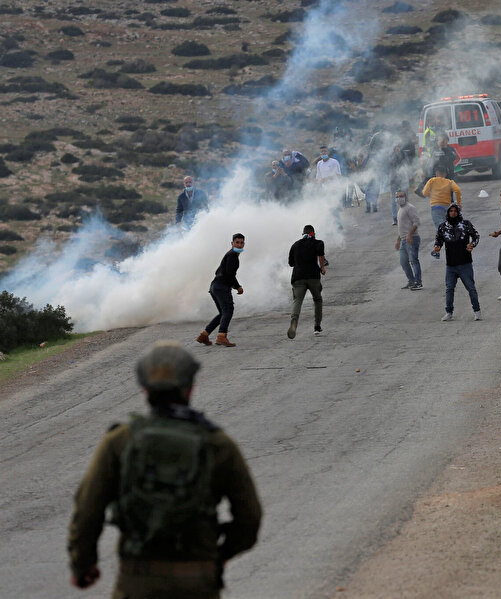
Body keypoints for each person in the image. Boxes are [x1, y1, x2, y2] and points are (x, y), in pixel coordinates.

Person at [67, 341, 262, 598]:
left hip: (137, 581)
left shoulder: (120, 441)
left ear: (145, 390)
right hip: (198, 581)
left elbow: (87, 510)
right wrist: (219, 556)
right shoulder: (217, 443)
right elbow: (250, 516)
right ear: (190, 388)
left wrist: (82, 565)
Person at [433, 204, 481, 322]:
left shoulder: (465, 224)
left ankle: (477, 311)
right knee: (449, 289)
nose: (453, 213)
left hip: (465, 263)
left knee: (471, 288)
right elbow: (438, 239)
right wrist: (437, 246)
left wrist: (472, 245)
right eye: (451, 211)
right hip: (451, 265)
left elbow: (476, 236)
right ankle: (449, 312)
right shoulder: (443, 227)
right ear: (448, 213)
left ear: (458, 212)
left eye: (455, 211)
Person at [197, 234, 244, 348]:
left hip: (215, 286)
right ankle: (222, 336)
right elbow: (229, 274)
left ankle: (204, 335)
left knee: (223, 313)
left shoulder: (230, 255)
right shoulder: (232, 255)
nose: (239, 244)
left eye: (241, 242)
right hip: (221, 287)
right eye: (237, 242)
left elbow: (219, 272)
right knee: (228, 311)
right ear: (232, 243)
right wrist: (238, 286)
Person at [287, 224, 326, 338]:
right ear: (313, 233)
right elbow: (321, 255)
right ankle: (317, 327)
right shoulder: (318, 243)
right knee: (317, 300)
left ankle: (294, 322)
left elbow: (291, 263)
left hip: (298, 277)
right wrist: (322, 267)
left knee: (297, 301)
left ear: (303, 234)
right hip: (313, 276)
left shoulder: (295, 245)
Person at [394, 190, 422, 290]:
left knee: (414, 261)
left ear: (405, 197)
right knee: (403, 262)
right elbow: (401, 228)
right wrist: (398, 240)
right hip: (403, 240)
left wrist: (410, 235)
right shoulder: (400, 210)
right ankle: (411, 281)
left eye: (401, 196)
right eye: (397, 196)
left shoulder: (410, 208)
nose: (399, 198)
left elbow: (416, 222)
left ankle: (418, 282)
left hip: (412, 239)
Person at [420, 165, 462, 230]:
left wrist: (432, 196)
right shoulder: (449, 182)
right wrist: (459, 203)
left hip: (436, 208)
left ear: (436, 173)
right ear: (445, 174)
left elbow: (424, 193)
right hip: (447, 207)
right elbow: (458, 190)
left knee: (440, 228)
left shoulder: (432, 181)